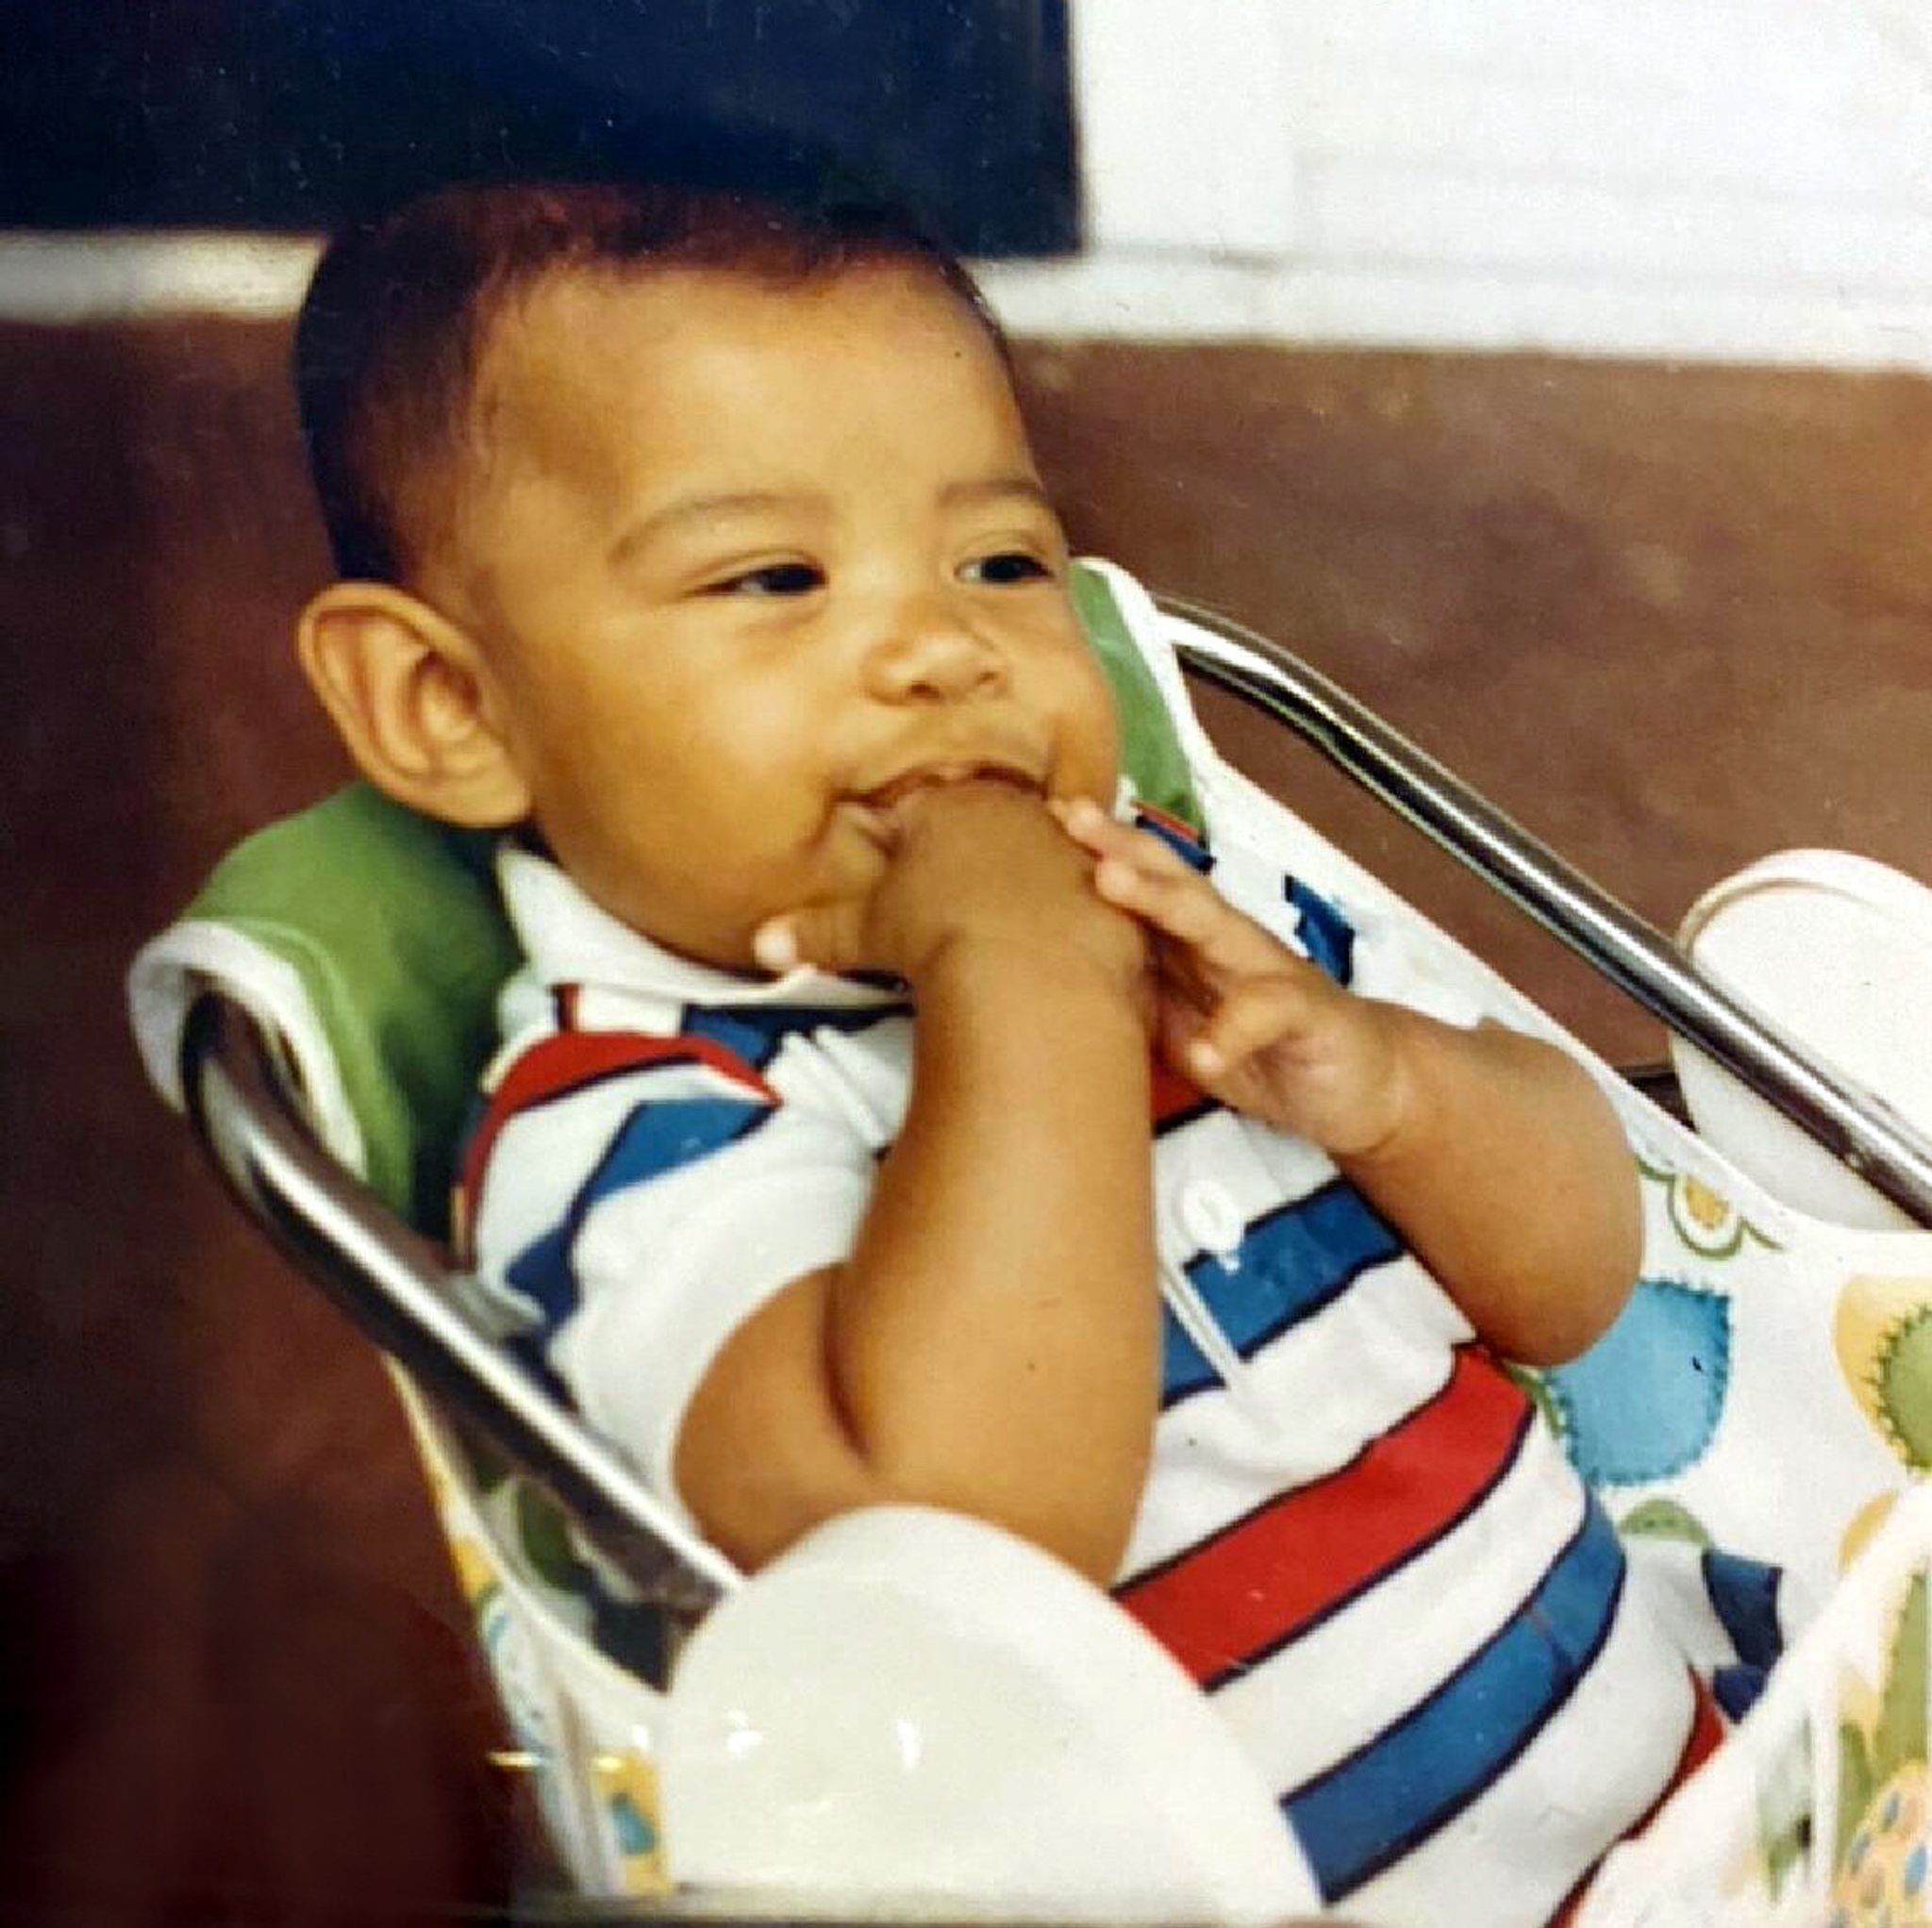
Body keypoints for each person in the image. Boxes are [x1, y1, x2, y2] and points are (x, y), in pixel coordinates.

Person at [286, 178, 1771, 1925]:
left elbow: (1582, 1280)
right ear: (452, 708)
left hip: (1714, 1829)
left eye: (1001, 563)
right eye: (775, 578)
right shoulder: (629, 1127)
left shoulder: (1163, 901)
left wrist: (1383, 1085)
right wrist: (1020, 972)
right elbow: (972, 1548)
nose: (945, 651)